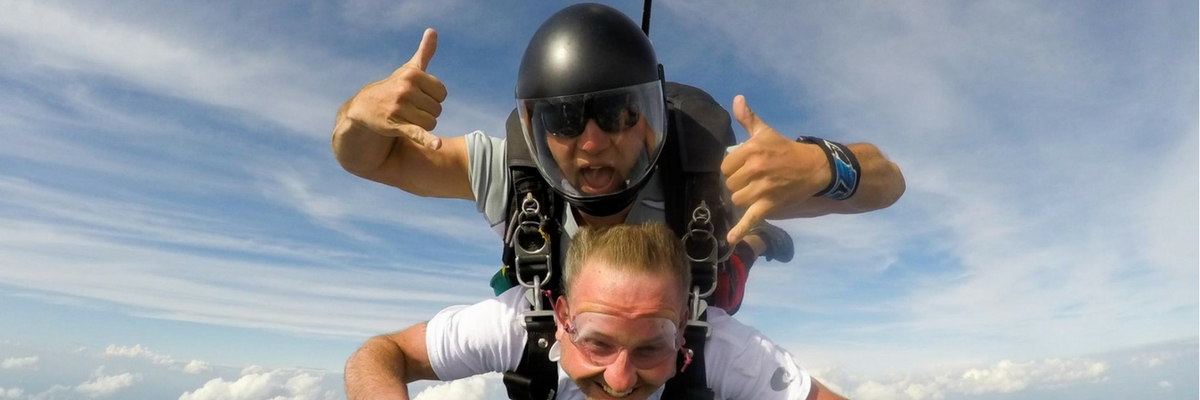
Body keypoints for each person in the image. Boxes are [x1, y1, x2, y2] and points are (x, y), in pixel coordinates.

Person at [331, 4, 904, 310]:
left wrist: (826, 165)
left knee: (720, 290)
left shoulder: (706, 177)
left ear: (650, 116)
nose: (591, 142)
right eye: (561, 119)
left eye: (616, 114)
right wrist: (359, 113)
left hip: (680, 298)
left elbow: (887, 181)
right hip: (579, 313)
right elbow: (368, 158)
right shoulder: (510, 170)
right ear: (533, 127)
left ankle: (754, 242)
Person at [344, 222, 848, 400]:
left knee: (728, 282)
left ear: (681, 338)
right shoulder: (517, 327)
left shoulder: (722, 345)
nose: (622, 379)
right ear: (561, 317)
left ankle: (756, 239)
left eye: (650, 346)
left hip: (705, 296)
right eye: (598, 343)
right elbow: (378, 353)